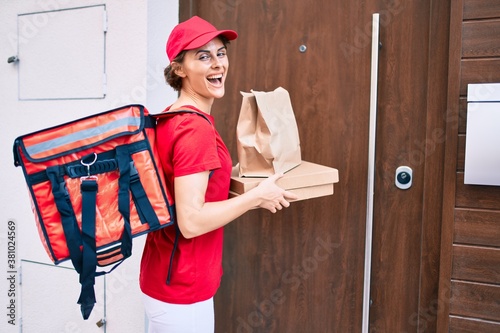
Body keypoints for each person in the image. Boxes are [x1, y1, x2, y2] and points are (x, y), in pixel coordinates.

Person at [139, 16, 297, 332]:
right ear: (179, 69)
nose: (217, 64)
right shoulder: (194, 127)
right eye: (203, 56)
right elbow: (191, 220)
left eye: (220, 53)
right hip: (181, 290)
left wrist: (245, 175)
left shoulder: (174, 117)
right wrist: (256, 197)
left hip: (168, 278)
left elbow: (194, 183)